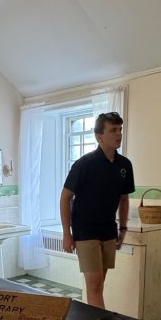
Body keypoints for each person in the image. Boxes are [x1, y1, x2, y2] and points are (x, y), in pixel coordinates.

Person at [60, 111, 135, 309]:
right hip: (85, 231)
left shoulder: (124, 165)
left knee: (99, 286)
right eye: (113, 130)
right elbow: (65, 197)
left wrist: (123, 229)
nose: (119, 134)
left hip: (108, 231)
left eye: (120, 129)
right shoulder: (84, 164)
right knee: (94, 286)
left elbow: (124, 199)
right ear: (99, 136)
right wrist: (67, 233)